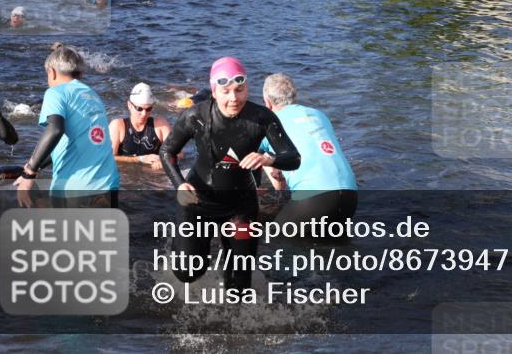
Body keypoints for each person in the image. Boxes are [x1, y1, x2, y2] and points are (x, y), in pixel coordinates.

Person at [159, 57, 300, 289]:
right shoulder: (196, 116)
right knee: (187, 272)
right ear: (214, 91)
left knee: (239, 286)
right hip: (198, 202)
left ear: (247, 88)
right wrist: (180, 185)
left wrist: (269, 158)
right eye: (226, 91)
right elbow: (167, 152)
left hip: (240, 207)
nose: (233, 98)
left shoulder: (262, 118)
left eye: (240, 90)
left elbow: (293, 158)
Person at [13, 44, 119, 204]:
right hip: (108, 185)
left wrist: (29, 173)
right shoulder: (92, 95)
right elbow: (72, 140)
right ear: (80, 73)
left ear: (52, 72)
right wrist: (36, 163)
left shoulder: (56, 92)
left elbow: (55, 130)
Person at [260, 73, 357, 223]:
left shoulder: (270, 123)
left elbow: (247, 153)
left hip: (314, 200)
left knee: (273, 239)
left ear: (267, 103)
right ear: (294, 96)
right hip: (350, 196)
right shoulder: (319, 115)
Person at [110, 83, 171, 162]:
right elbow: (109, 158)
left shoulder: (161, 125)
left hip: (153, 173)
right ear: (129, 105)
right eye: (139, 108)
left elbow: (178, 154)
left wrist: (163, 161)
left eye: (148, 109)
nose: (144, 114)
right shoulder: (118, 126)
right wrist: (140, 159)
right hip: (125, 173)